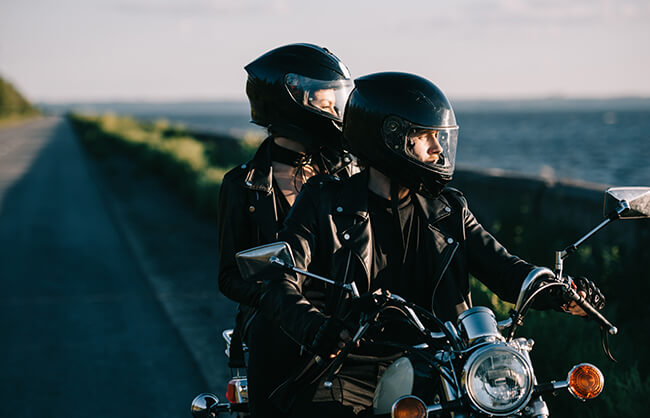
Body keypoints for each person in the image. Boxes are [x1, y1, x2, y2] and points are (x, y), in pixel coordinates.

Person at [258, 72, 606, 416]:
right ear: (390, 137)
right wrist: (316, 325)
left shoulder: (449, 210)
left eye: (439, 137)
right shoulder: (323, 202)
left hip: (445, 366)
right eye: (426, 136)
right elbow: (279, 278)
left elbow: (505, 269)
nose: (438, 149)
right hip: (352, 367)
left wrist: (558, 291)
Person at [217, 43, 357, 418]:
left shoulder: (348, 176)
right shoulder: (243, 185)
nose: (336, 111)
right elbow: (229, 276)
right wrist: (274, 299)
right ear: (293, 101)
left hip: (344, 321)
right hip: (278, 325)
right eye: (326, 102)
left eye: (336, 102)